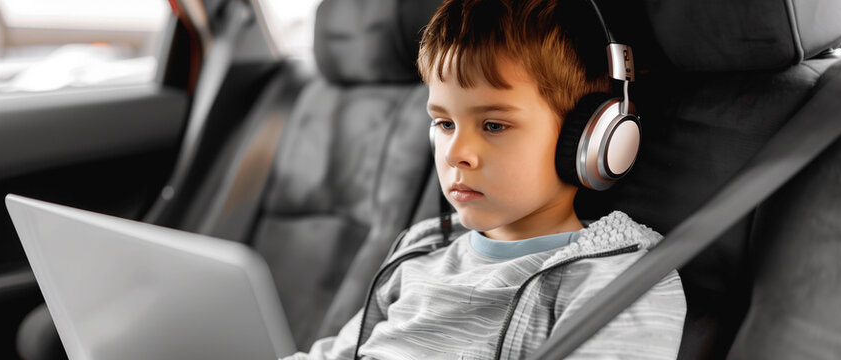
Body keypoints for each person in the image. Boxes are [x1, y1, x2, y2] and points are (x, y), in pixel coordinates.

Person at [282, 0, 685, 358]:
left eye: (493, 125)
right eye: (443, 123)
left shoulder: (618, 281)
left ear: (594, 140)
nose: (456, 152)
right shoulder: (420, 253)